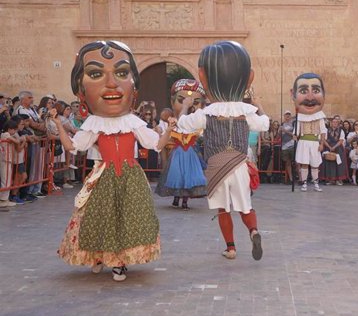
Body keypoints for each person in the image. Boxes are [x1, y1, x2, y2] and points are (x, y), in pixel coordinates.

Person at [52, 40, 170, 281]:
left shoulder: (134, 123)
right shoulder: (95, 124)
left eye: (122, 73)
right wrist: (57, 126)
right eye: (96, 74)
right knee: (99, 217)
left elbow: (155, 144)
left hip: (130, 176)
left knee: (127, 218)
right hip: (103, 175)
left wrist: (170, 131)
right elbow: (73, 146)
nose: (112, 83)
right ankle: (98, 256)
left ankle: (119, 263)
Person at [176, 40, 268, 261]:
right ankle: (253, 231)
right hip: (239, 165)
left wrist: (186, 107)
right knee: (245, 206)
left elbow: (182, 125)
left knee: (223, 209)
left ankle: (231, 248)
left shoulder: (207, 113)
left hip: (216, 166)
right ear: (249, 78)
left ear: (203, 77)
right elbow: (264, 124)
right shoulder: (246, 112)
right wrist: (257, 103)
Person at [155, 79, 207, 210]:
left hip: (187, 153)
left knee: (186, 178)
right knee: (179, 176)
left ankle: (182, 201)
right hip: (181, 153)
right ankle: (177, 199)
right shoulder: (176, 121)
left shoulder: (194, 123)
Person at [292, 73, 327, 192]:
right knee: (304, 163)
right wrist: (294, 136)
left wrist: (322, 143)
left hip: (315, 142)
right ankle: (304, 183)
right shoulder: (299, 117)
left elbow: (323, 131)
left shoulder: (319, 117)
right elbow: (296, 132)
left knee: (315, 164)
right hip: (303, 142)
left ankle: (316, 183)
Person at [280, 111, 295, 184]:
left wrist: (285, 131)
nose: (287, 116)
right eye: (286, 115)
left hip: (292, 144)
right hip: (284, 146)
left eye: (289, 115)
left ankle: (300, 178)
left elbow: (294, 135)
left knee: (296, 162)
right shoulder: (282, 124)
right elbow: (279, 136)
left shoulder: (293, 124)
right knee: (287, 162)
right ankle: (291, 178)